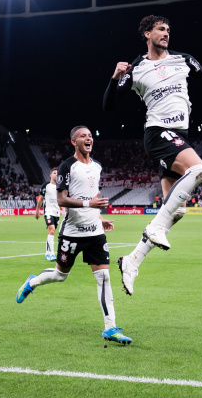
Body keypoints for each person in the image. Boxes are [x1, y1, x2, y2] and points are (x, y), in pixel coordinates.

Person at [103, 14, 202, 295]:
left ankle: (131, 261)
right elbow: (108, 106)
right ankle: (155, 229)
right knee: (199, 170)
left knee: (177, 211)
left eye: (168, 30)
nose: (166, 34)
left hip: (179, 136)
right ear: (146, 34)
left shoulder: (184, 60)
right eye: (160, 30)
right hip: (158, 132)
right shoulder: (136, 68)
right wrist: (115, 78)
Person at [16, 126, 130, 346]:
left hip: (95, 232)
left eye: (90, 136)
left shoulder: (97, 167)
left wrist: (98, 218)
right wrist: (90, 204)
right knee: (60, 275)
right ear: (74, 142)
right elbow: (61, 200)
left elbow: (92, 196)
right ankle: (33, 282)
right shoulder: (67, 166)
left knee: (104, 277)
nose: (88, 138)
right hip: (72, 232)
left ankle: (110, 328)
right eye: (83, 136)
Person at [36, 168, 60, 261]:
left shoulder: (60, 186)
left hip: (57, 212)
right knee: (52, 230)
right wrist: (37, 211)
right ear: (50, 175)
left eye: (57, 174)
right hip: (48, 212)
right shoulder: (46, 186)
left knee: (51, 232)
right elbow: (40, 199)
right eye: (54, 173)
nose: (56, 175)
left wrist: (64, 210)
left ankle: (47, 253)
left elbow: (62, 199)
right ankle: (52, 254)